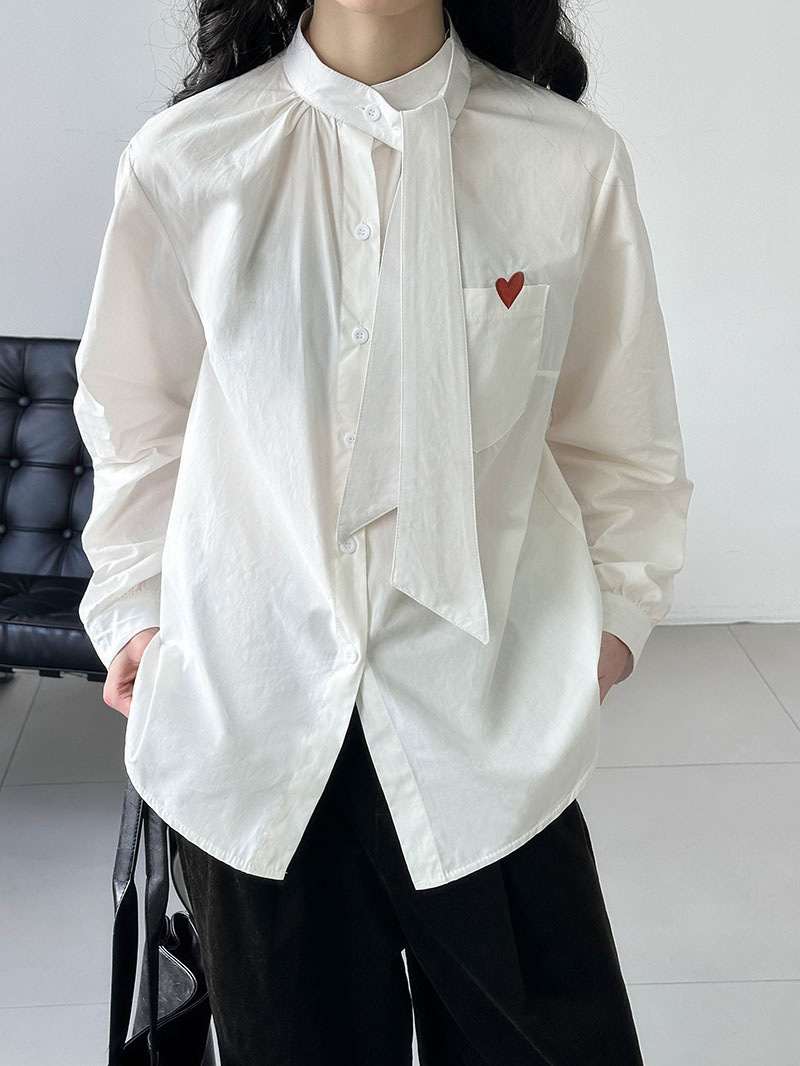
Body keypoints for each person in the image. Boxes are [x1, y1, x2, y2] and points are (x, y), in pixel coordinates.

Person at [73, 1, 693, 1062]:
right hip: (252, 726)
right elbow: (137, 421)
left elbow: (618, 438)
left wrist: (607, 636)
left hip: (491, 724)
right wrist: (135, 612)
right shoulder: (187, 161)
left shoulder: (566, 162)